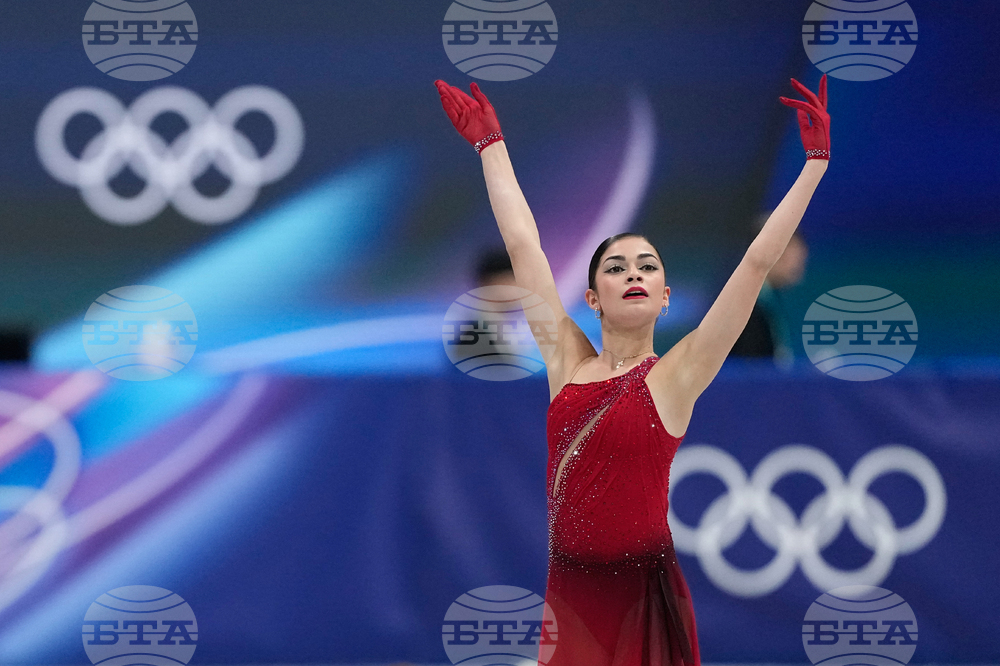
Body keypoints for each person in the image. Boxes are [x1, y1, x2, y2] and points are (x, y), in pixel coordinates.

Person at [435, 74, 830, 665]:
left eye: (647, 266)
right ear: (592, 296)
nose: (634, 273)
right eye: (617, 267)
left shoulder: (678, 375)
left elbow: (754, 265)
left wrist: (814, 166)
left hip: (642, 594)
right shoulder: (565, 360)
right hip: (570, 593)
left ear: (666, 295)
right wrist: (491, 147)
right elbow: (523, 247)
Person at [728, 213, 809, 368]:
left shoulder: (769, 300)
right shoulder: (746, 308)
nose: (800, 257)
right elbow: (750, 374)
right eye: (788, 247)